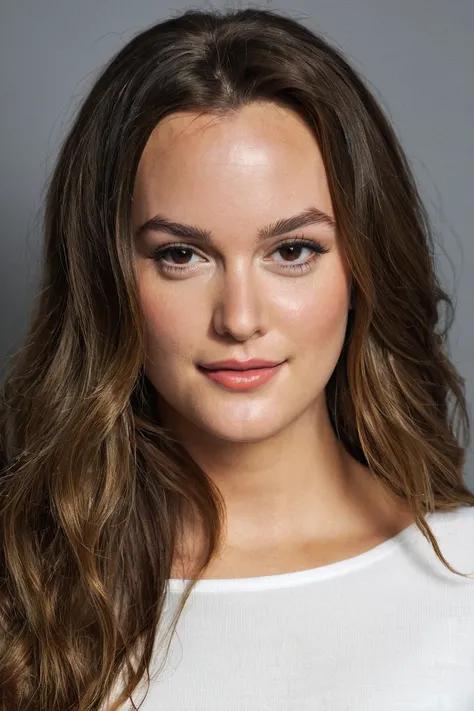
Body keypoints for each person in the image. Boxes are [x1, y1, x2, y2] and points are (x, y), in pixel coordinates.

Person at [0, 6, 473, 711]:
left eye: (292, 251)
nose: (240, 318)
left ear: (361, 269)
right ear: (108, 284)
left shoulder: (465, 579)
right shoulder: (28, 602)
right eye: (181, 255)